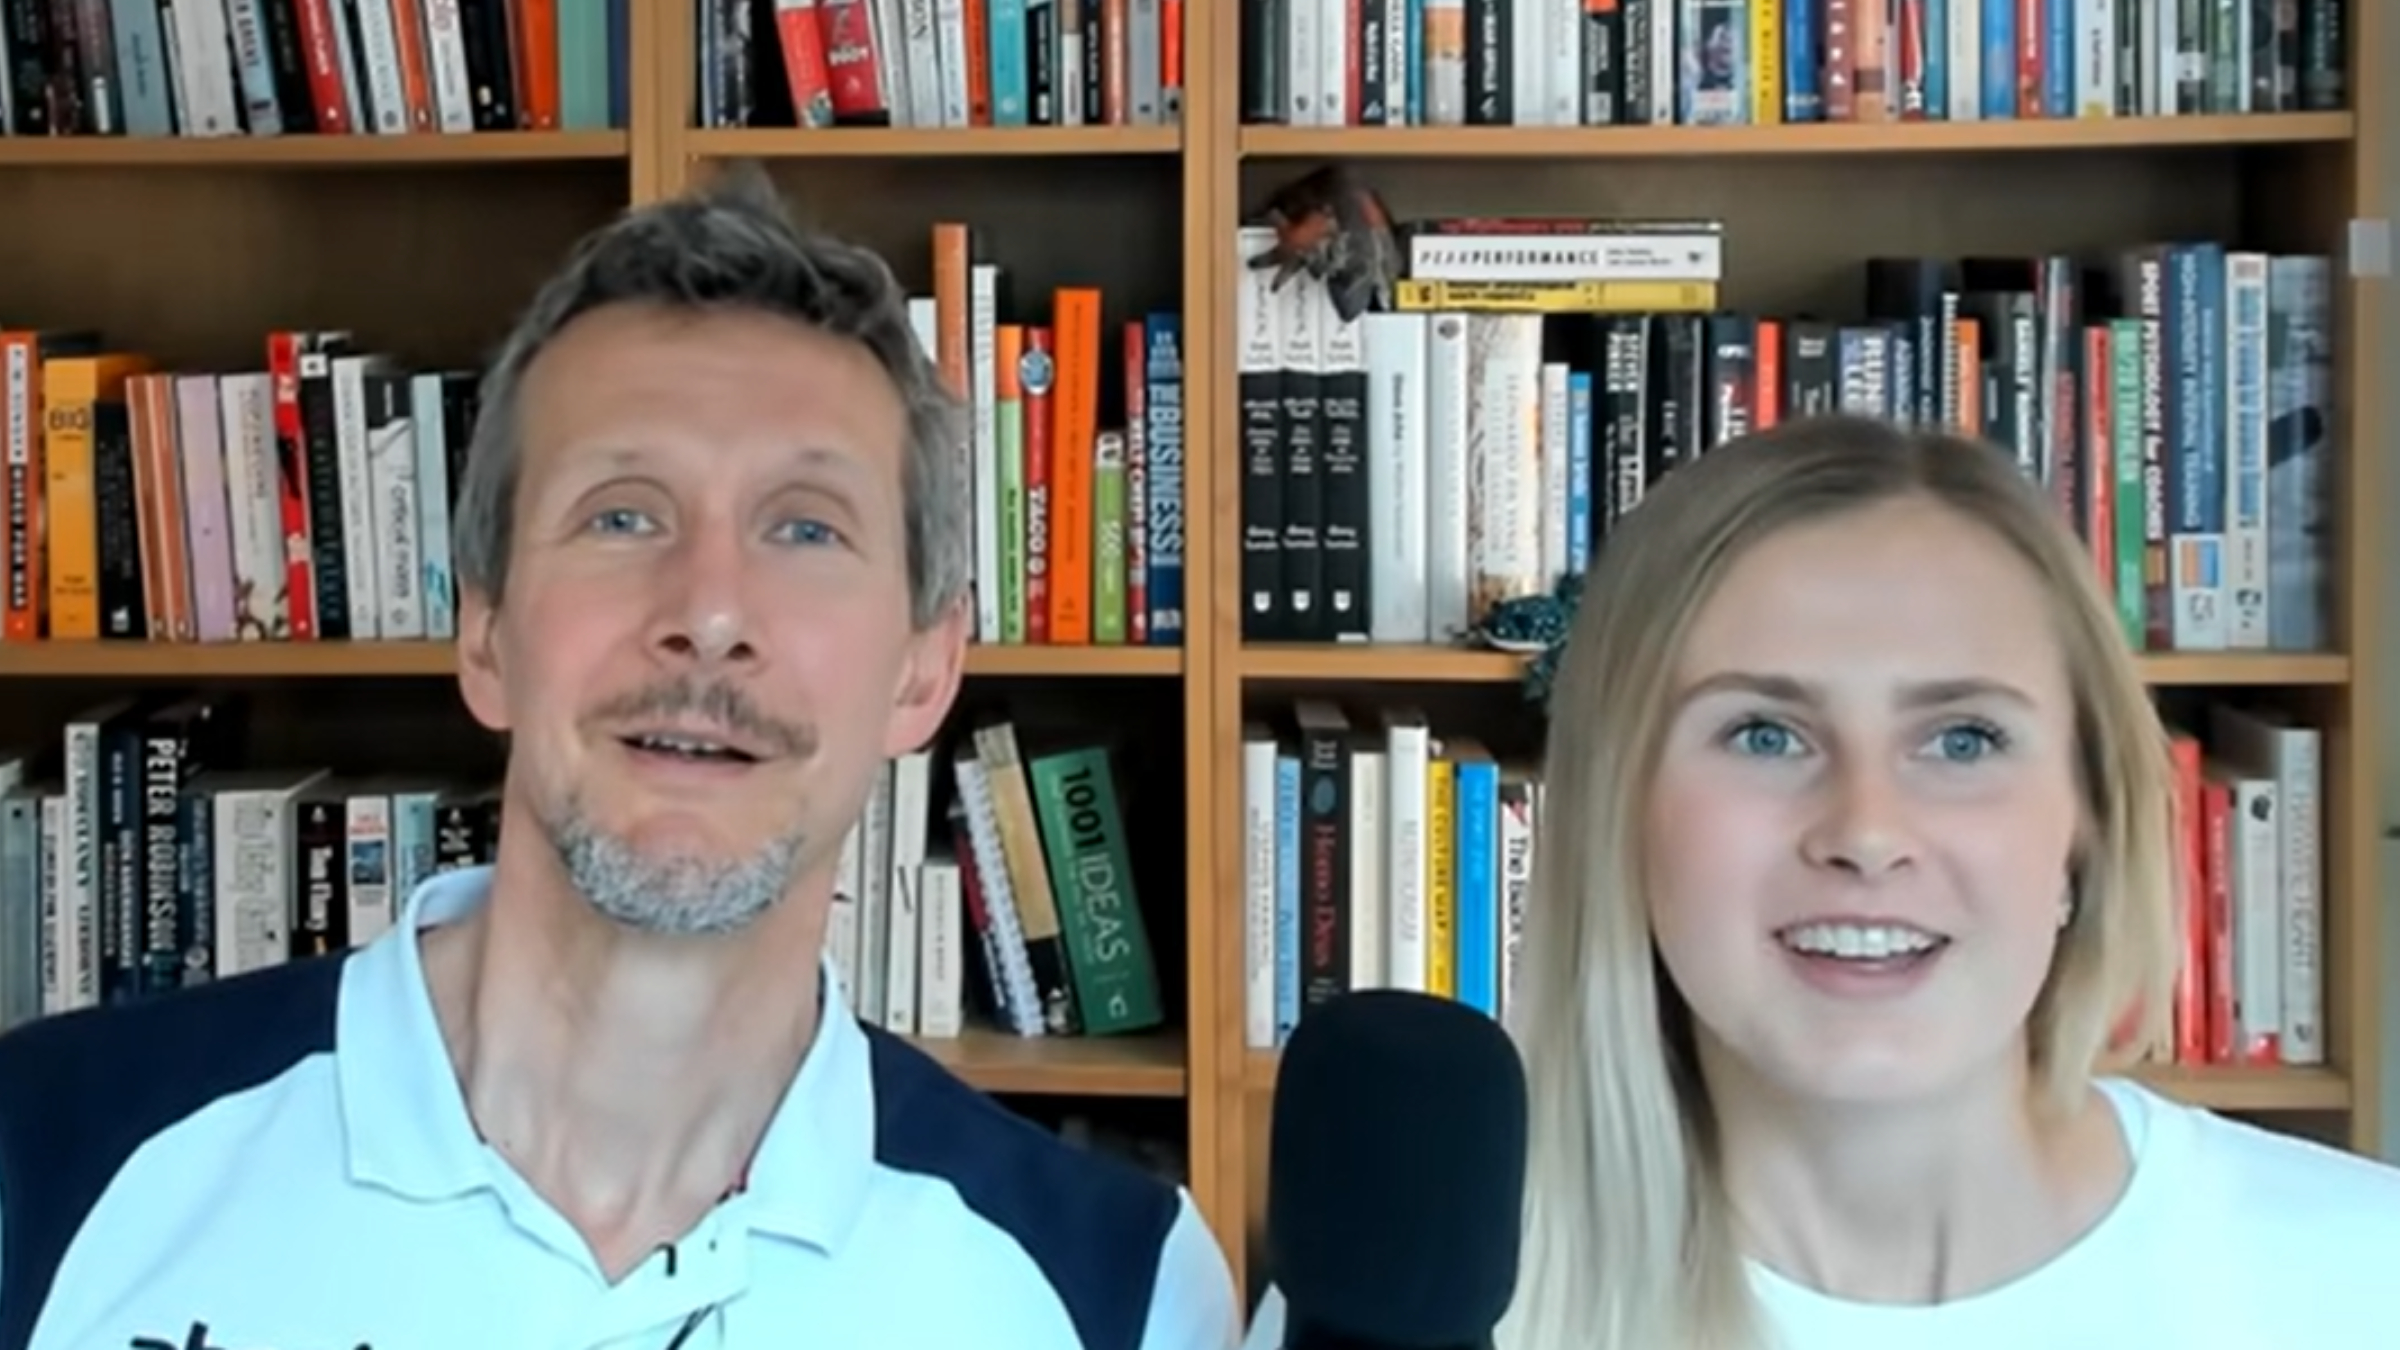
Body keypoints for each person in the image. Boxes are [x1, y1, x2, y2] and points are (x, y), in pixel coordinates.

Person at [0, 166, 1239, 1350]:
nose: (708, 610)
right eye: (624, 514)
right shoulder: (46, 1161)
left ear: (924, 668)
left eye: (806, 527)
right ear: (484, 632)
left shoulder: (1115, 1291)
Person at [1245, 414, 2400, 1350]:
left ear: (2086, 822)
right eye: (1762, 734)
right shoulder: (1417, 1299)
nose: (1866, 831)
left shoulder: (2361, 1277)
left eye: (1961, 740)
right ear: (1619, 813)